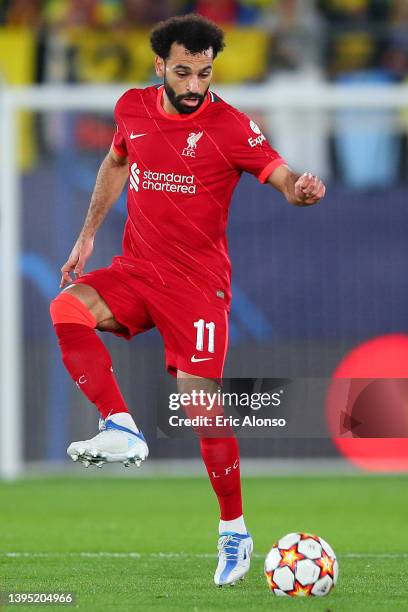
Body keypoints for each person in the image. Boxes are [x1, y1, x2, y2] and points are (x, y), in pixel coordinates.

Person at [49, 14, 326, 587]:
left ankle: (233, 531)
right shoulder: (132, 107)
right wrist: (87, 234)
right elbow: (118, 161)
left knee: (200, 408)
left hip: (198, 288)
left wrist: (299, 190)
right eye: (183, 72)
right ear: (160, 67)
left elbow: (278, 175)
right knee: (66, 308)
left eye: (204, 73)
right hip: (137, 269)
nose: (194, 85)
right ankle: (121, 425)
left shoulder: (231, 127)